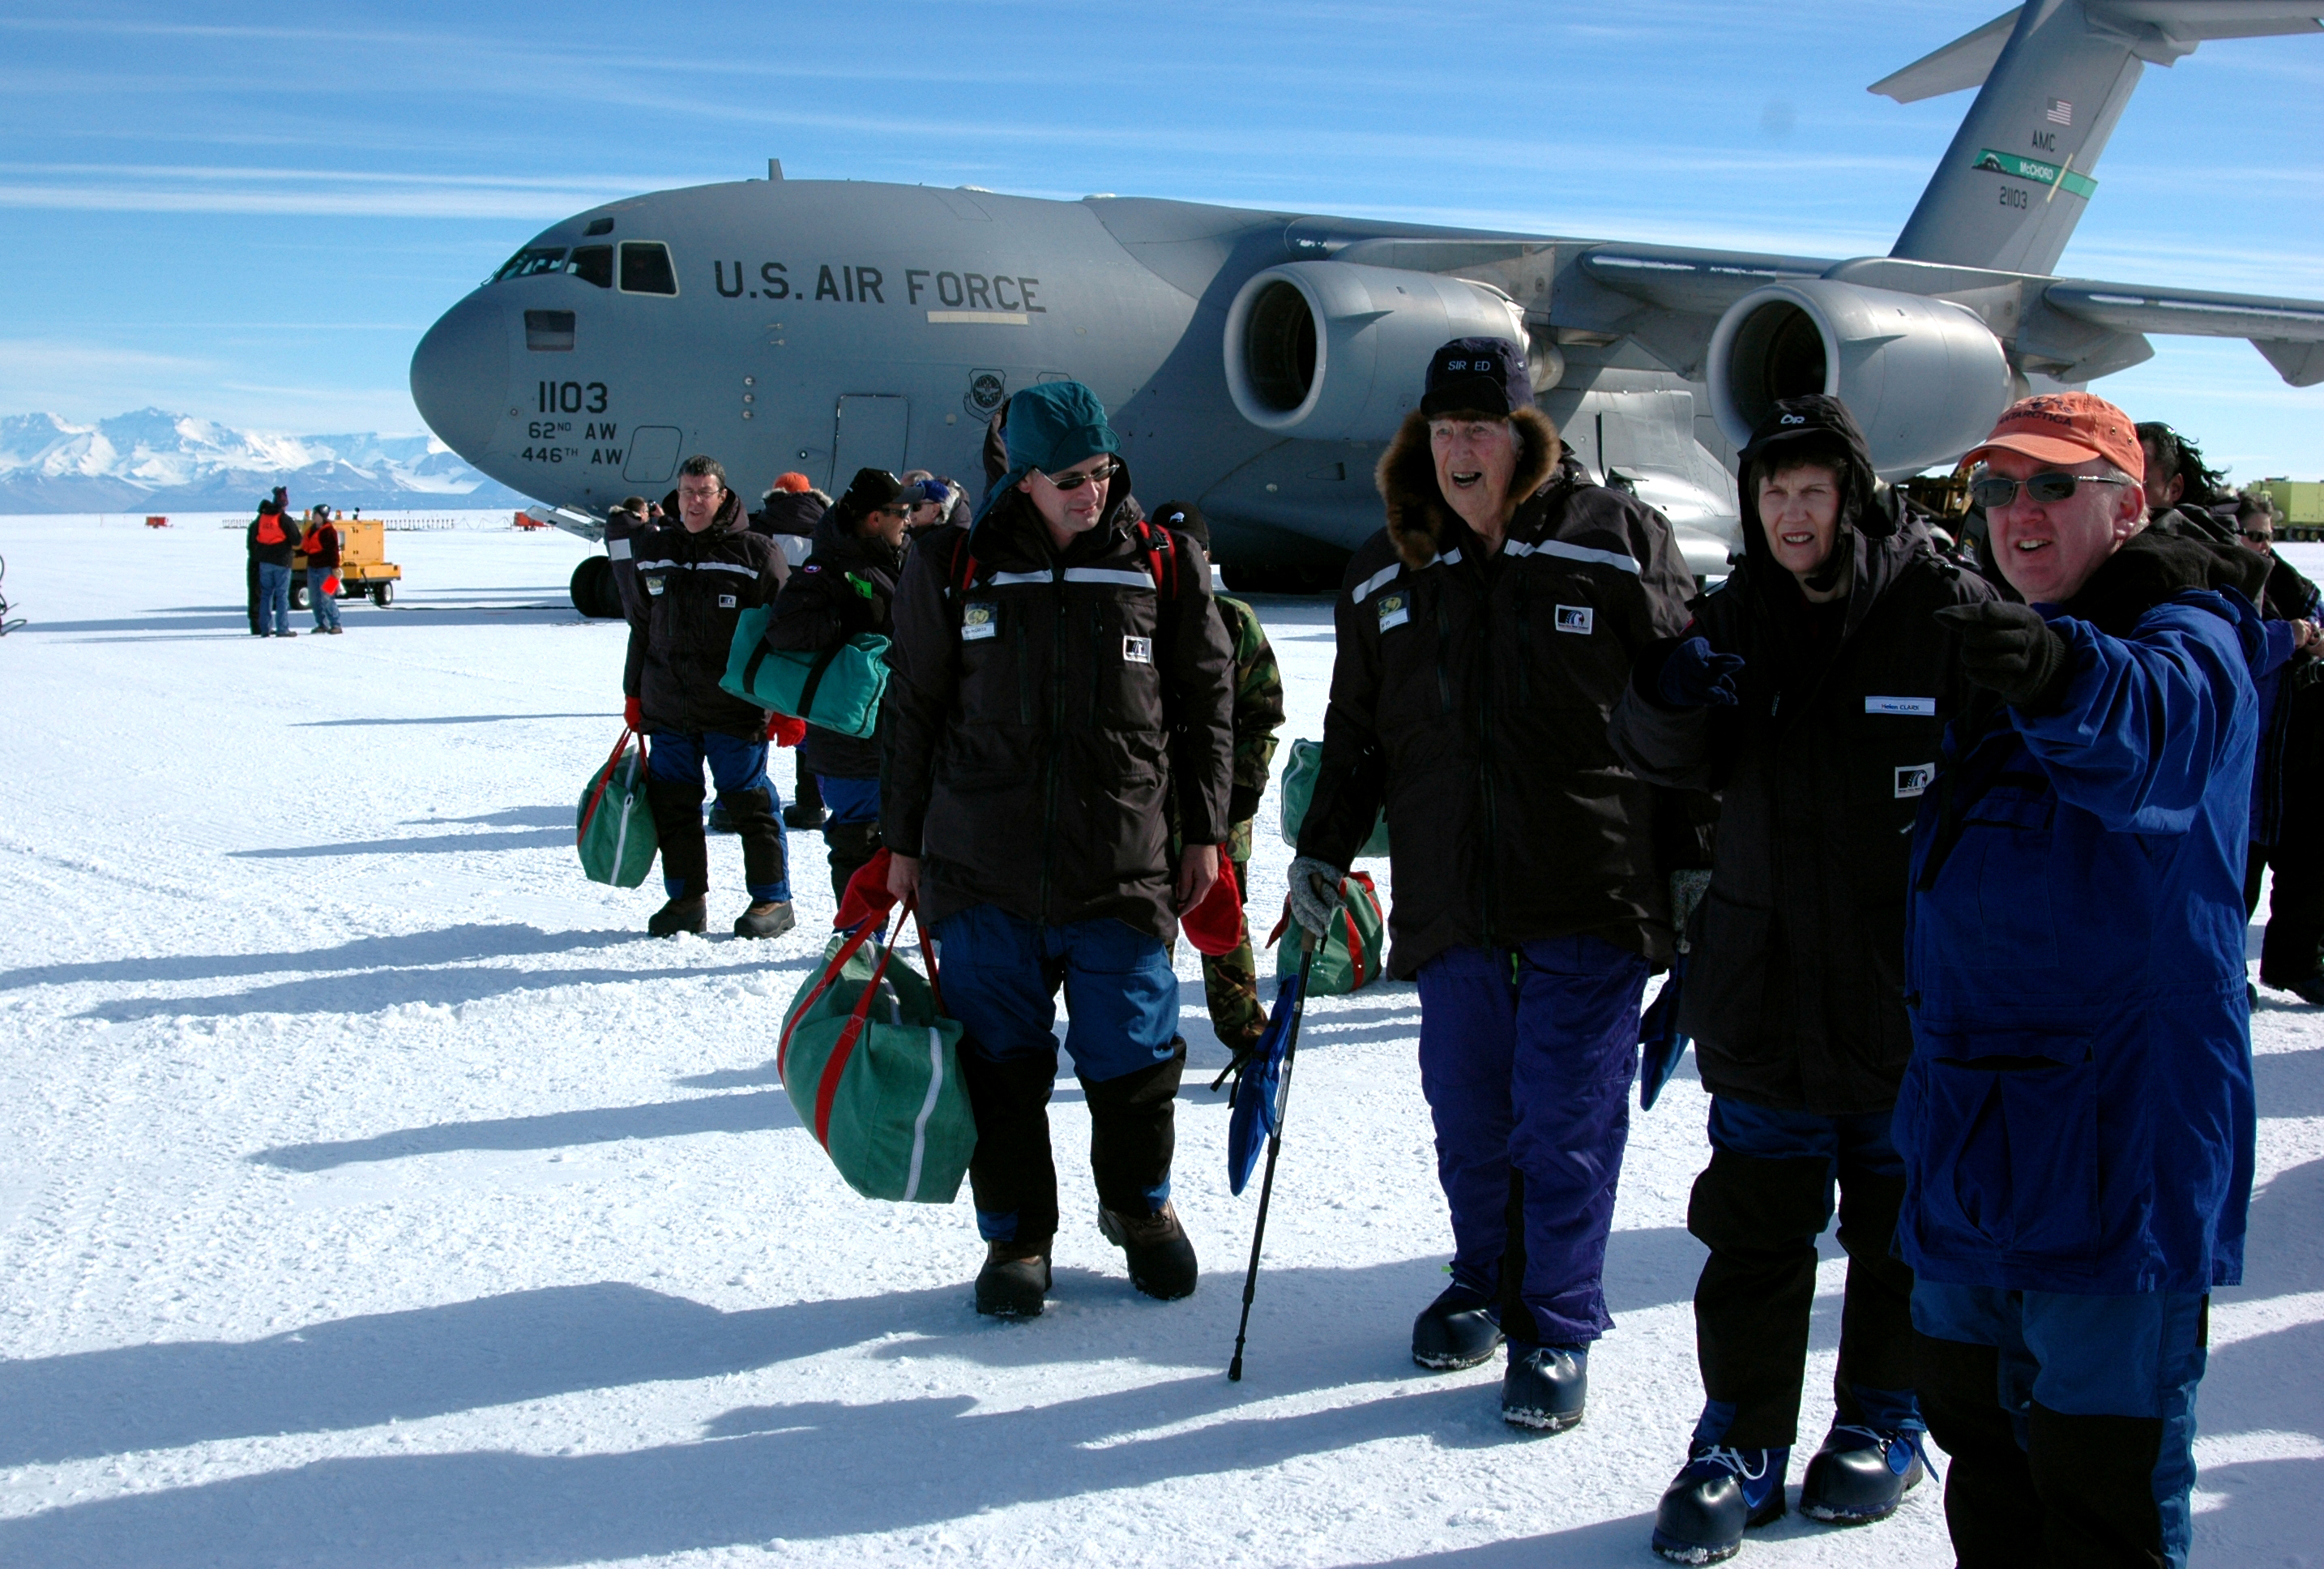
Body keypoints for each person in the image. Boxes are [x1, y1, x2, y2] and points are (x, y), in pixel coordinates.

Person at [1607, 395, 1993, 1561]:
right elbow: (1663, 755)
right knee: (1755, 1229)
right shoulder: (1733, 616)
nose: (1789, 513)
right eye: (1772, 493)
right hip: (1766, 983)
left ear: (1854, 495)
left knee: (1895, 1228)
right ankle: (1741, 1440)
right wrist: (1665, 701)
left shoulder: (1936, 606)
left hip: (1901, 987)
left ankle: (1885, 1418)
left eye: (1811, 491)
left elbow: (2012, 763)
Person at [1290, 337, 1696, 1431]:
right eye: (1445, 429)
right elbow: (1357, 733)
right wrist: (1322, 851)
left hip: (1592, 878)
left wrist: (1697, 867)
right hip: (1452, 885)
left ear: (1525, 435)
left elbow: (1686, 710)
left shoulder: (1615, 542)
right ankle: (1485, 1278)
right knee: (1470, 1113)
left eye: (1484, 427)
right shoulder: (1385, 565)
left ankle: (1556, 1326)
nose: (1462, 449)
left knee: (1562, 1117)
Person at [1899, 392, 2266, 1569]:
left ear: (2126, 504)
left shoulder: (2190, 637)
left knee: (2099, 1483)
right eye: (1997, 491)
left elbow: (2145, 729)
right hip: (1969, 1134)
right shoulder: (1980, 639)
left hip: (2117, 1150)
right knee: (1981, 1451)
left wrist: (2059, 671)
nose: (2020, 514)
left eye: (2055, 486)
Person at [883, 381, 1236, 1318]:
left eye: (1105, 471)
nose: (1095, 490)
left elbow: (1207, 705)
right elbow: (913, 705)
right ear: (1025, 476)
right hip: (981, 867)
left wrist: (1203, 827)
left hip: (1122, 867)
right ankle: (1018, 1239)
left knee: (1135, 1061)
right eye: (1073, 478)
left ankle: (1139, 1211)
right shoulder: (955, 563)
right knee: (1000, 1068)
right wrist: (902, 845)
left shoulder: (1163, 562)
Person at [622, 455, 796, 938]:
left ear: (723, 496)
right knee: (674, 807)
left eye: (704, 493)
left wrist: (784, 706)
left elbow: (783, 632)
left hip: (733, 708)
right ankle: (685, 900)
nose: (694, 502)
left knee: (748, 804)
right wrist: (633, 693)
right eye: (686, 492)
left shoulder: (755, 554)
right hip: (669, 706)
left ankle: (772, 900)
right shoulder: (654, 550)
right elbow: (641, 628)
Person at [1151, 499, 1284, 1058]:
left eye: (1195, 554)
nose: (1186, 563)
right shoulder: (1136, 612)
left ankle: (1246, 1036)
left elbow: (1261, 713)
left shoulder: (1234, 620)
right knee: (1148, 929)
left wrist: (1241, 793)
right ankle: (1150, 1039)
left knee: (1222, 925)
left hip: (1221, 805)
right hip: (1149, 808)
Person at [764, 468, 911, 900]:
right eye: (901, 511)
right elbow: (784, 629)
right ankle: (858, 942)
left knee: (916, 837)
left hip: (900, 728)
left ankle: (899, 940)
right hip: (851, 737)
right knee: (857, 839)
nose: (908, 519)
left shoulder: (894, 558)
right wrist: (854, 629)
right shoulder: (828, 566)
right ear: (874, 518)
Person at [2231, 491, 2324, 1001]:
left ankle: (2294, 964)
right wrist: (2288, 638)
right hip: (2242, 763)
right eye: (2253, 534)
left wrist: (2312, 636)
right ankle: (2226, 972)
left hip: (2292, 759)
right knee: (2233, 884)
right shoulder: (2221, 588)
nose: (2263, 546)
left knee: (2303, 873)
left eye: (2268, 535)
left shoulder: (2295, 588)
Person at [248, 496, 301, 638]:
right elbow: (297, 539)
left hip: (264, 562)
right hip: (282, 562)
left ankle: (265, 628)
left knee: (266, 595)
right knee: (281, 595)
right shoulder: (284, 519)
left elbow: (252, 542)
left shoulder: (261, 520)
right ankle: (282, 628)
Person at [301, 506, 344, 635]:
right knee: (314, 598)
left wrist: (335, 568)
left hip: (327, 569)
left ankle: (336, 624)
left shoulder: (330, 531)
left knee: (327, 597)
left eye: (316, 514)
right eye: (314, 514)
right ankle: (322, 624)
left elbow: (334, 551)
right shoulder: (311, 530)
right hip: (312, 567)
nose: (314, 516)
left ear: (322, 516)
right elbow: (305, 548)